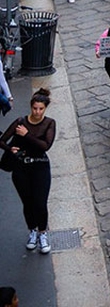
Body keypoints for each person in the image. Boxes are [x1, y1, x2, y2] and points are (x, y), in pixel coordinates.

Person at [1, 87, 56, 254]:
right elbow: (2, 140)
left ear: (45, 108)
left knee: (40, 202)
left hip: (40, 167)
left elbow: (45, 146)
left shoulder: (49, 123)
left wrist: (26, 135)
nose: (37, 112)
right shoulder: (20, 121)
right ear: (30, 106)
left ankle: (42, 233)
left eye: (41, 109)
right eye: (35, 108)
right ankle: (32, 230)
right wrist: (11, 150)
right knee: (27, 202)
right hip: (21, 168)